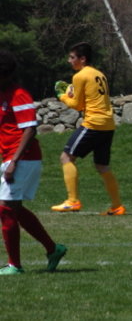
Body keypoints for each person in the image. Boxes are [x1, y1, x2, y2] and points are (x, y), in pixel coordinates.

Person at [0, 50, 67, 274]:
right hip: (11, 157)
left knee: (5, 208)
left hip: (23, 158)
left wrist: (14, 162)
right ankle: (53, 249)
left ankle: (14, 265)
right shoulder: (3, 95)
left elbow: (30, 129)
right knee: (15, 209)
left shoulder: (19, 95)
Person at [52, 42, 125, 215]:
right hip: (108, 124)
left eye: (72, 57)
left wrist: (62, 96)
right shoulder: (99, 74)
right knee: (102, 166)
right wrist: (71, 92)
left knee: (66, 157)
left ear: (82, 59)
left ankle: (72, 201)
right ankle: (117, 206)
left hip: (94, 123)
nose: (69, 61)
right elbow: (89, 98)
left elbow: (77, 105)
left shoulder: (80, 76)